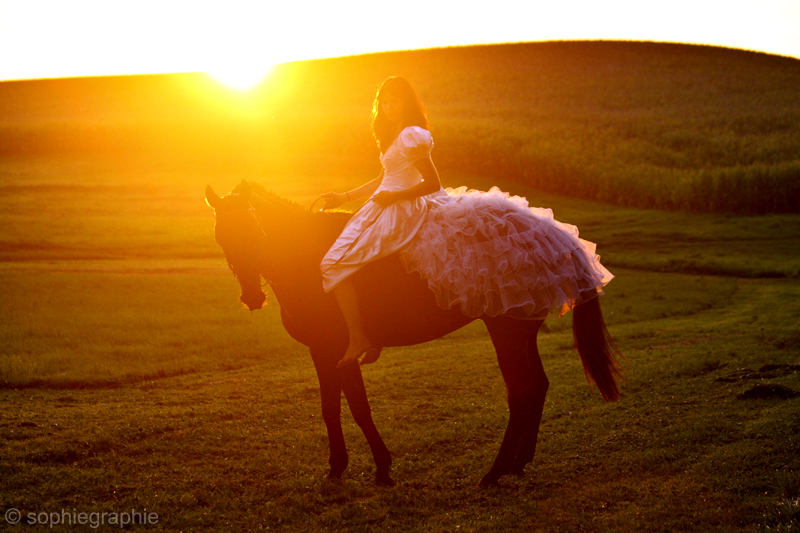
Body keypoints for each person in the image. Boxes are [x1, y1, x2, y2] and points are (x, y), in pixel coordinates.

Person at [320, 76, 613, 368]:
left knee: (333, 264)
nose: (389, 106)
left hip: (404, 210)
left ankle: (359, 338)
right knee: (362, 261)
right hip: (386, 205)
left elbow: (432, 184)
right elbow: (384, 178)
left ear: (406, 102)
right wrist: (344, 196)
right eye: (384, 101)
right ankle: (375, 334)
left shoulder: (411, 133)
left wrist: (394, 198)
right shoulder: (391, 134)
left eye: (395, 99)